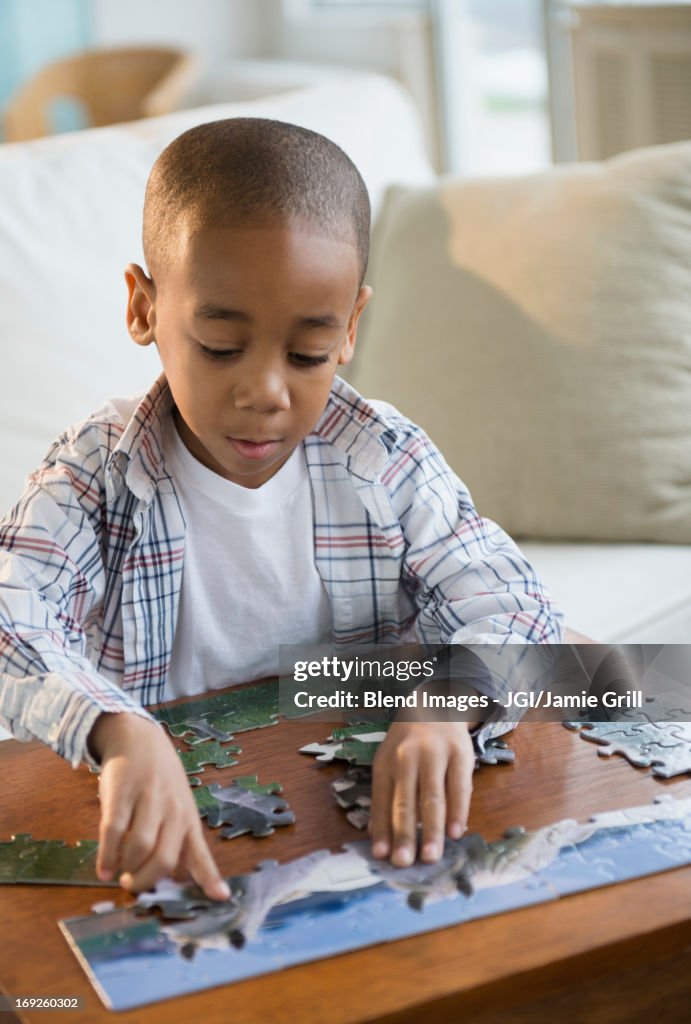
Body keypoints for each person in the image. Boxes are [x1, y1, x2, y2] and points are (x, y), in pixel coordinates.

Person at [0, 118, 562, 902]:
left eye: (305, 355)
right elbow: (10, 618)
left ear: (350, 330)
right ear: (143, 309)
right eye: (221, 346)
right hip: (173, 838)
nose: (265, 391)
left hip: (369, 838)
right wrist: (118, 730)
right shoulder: (94, 471)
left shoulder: (383, 455)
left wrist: (445, 705)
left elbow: (520, 609)